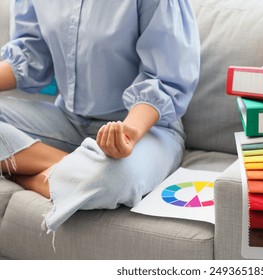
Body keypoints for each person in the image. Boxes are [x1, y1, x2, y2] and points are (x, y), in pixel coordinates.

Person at [0, 0, 200, 232]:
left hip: (146, 129)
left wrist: (128, 135)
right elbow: (32, 57)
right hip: (66, 119)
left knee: (116, 178)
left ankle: (23, 174)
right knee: (99, 172)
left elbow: (166, 80)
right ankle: (73, 166)